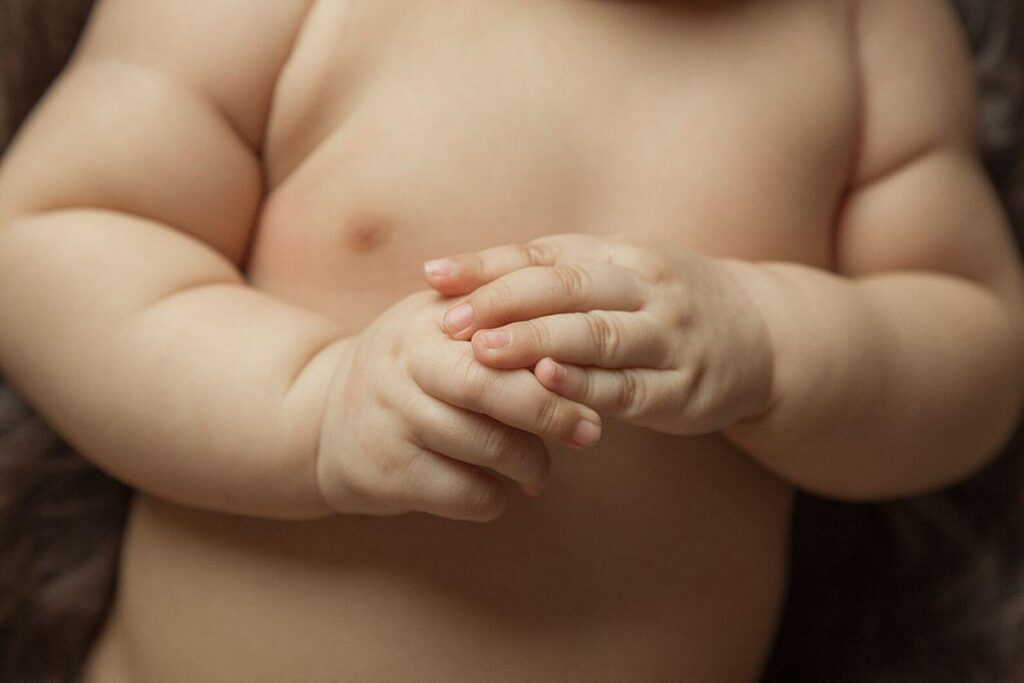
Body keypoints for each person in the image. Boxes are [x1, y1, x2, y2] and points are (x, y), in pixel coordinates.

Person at [0, 0, 1022, 680]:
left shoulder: (865, 25)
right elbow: (51, 237)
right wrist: (311, 402)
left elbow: (975, 344)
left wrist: (777, 342)